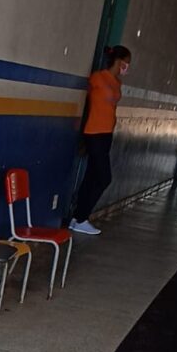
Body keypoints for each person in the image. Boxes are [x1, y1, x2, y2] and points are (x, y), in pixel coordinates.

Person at [71, 45, 131, 235]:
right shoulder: (98, 78)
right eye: (126, 63)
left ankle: (76, 218)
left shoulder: (117, 82)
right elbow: (86, 101)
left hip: (106, 133)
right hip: (94, 132)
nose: (127, 67)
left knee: (91, 175)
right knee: (104, 178)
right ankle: (82, 217)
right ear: (118, 61)